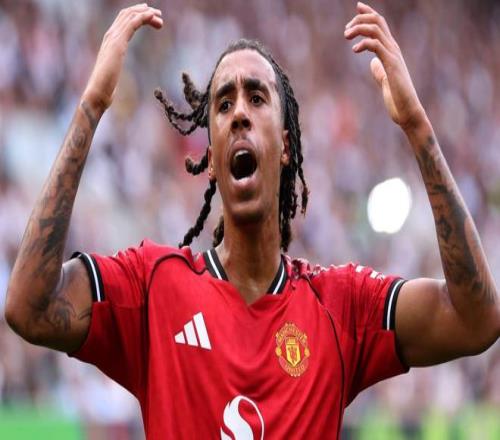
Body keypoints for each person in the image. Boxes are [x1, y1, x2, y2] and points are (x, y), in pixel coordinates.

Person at [4, 2, 499, 438]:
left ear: (285, 146)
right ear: (211, 158)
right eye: (223, 105)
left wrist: (417, 126)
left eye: (257, 98)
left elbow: (475, 320)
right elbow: (29, 307)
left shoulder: (341, 308)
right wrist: (91, 106)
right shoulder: (152, 288)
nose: (239, 113)